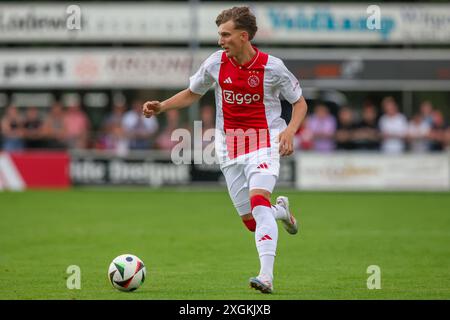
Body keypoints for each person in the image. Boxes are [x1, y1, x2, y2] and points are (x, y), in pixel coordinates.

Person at [142, 6, 307, 294]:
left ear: (244, 36)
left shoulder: (273, 67)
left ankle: (266, 277)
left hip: (264, 142)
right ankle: (280, 213)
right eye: (219, 35)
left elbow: (300, 102)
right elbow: (193, 92)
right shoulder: (216, 63)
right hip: (230, 147)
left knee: (258, 201)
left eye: (225, 35)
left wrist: (289, 131)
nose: (220, 40)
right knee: (252, 222)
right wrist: (162, 106)